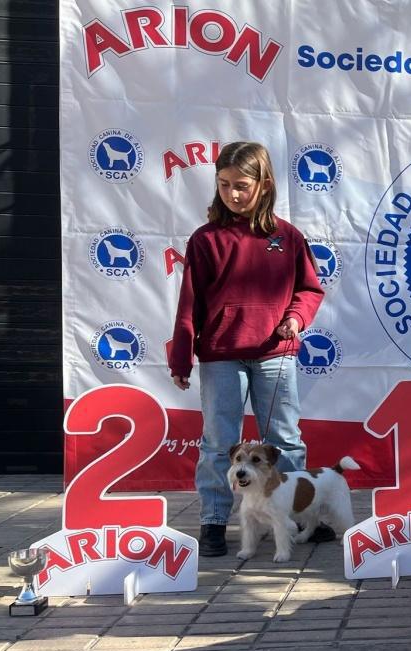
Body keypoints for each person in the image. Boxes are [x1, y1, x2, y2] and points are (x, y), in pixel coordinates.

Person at [169, 141, 325, 558]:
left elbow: (309, 289)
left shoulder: (287, 237)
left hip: (276, 353)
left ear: (265, 184)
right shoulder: (205, 240)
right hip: (222, 354)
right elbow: (190, 304)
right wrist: (181, 355)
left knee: (285, 440)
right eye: (223, 185)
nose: (232, 194)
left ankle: (294, 513)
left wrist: (296, 318)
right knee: (220, 441)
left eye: (241, 185)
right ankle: (214, 521)